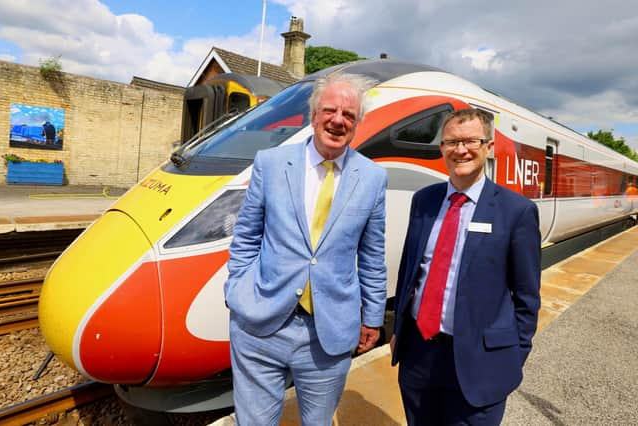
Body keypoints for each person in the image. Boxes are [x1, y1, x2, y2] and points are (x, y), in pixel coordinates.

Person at [224, 73, 387, 426]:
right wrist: (237, 289)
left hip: (328, 334)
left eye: (349, 115)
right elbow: (246, 236)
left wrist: (373, 316)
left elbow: (373, 255)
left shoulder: (373, 178)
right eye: (330, 110)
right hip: (260, 325)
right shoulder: (270, 163)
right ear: (314, 115)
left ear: (357, 124)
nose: (338, 120)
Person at [390, 108, 541, 425]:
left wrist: (513, 356)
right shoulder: (424, 201)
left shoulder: (517, 211)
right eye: (451, 142)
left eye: (471, 140)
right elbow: (410, 271)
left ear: (488, 146)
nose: (461, 150)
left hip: (480, 363)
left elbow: (527, 296)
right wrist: (400, 332)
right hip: (419, 355)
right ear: (442, 149)